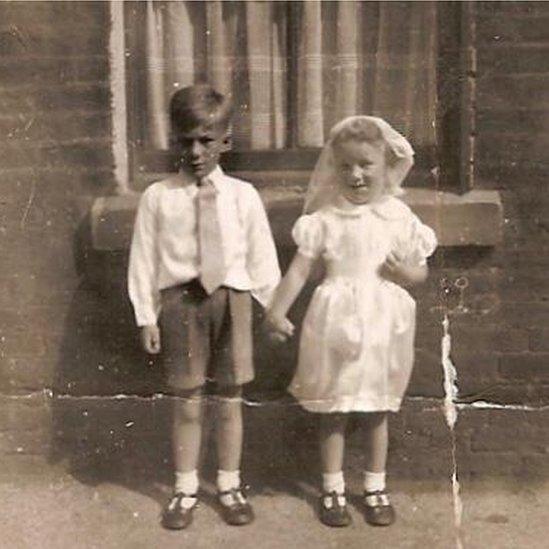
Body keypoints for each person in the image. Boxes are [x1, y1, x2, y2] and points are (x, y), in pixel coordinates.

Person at [265, 116, 437, 528]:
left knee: (378, 407)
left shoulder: (397, 217)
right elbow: (299, 272)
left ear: (386, 164)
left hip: (383, 324)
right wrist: (276, 311)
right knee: (334, 407)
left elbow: (421, 274)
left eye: (365, 164)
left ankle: (375, 486)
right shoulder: (325, 219)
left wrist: (405, 274)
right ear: (333, 169)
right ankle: (332, 488)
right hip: (336, 324)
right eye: (346, 166)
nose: (356, 175)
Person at [128, 84, 280, 530]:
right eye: (185, 141)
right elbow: (143, 257)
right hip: (181, 303)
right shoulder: (159, 197)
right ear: (173, 141)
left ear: (226, 141)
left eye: (206, 140)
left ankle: (230, 484)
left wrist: (269, 307)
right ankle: (185, 487)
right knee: (188, 401)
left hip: (233, 302)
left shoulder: (243, 196)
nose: (195, 151)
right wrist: (145, 313)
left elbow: (261, 255)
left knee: (231, 399)